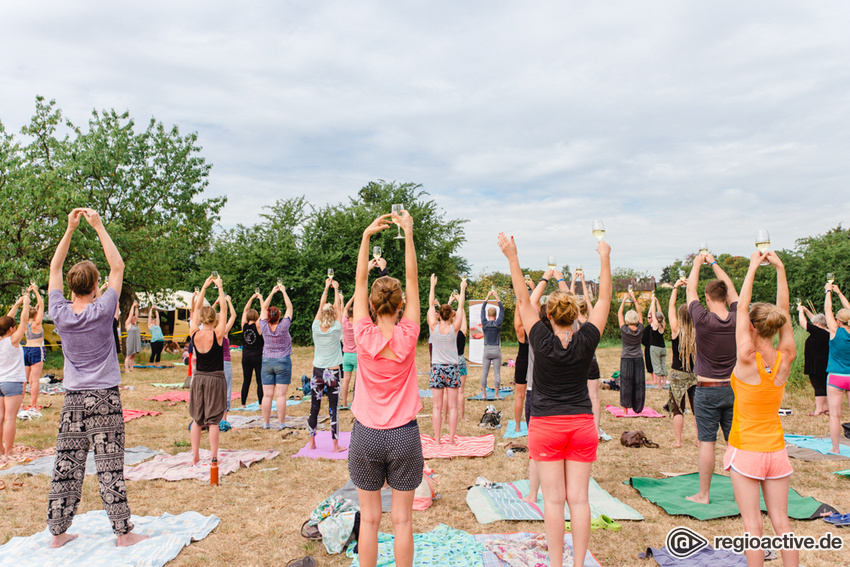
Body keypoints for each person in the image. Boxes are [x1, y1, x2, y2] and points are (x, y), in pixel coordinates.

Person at [498, 232, 612, 567]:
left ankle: (558, 564)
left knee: (554, 502)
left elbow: (522, 299)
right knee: (579, 500)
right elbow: (604, 299)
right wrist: (604, 256)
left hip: (546, 426)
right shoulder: (587, 339)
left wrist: (513, 257)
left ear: (548, 317)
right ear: (575, 315)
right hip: (581, 425)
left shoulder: (540, 340)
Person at [46, 208, 147, 548]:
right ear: (93, 286)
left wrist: (70, 228)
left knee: (66, 465)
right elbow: (117, 267)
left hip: (72, 398)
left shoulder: (58, 311)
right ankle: (123, 533)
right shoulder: (103, 310)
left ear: (73, 287)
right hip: (104, 396)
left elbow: (54, 267)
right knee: (109, 466)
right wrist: (98, 226)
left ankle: (58, 534)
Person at [349, 209, 422, 567]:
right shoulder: (409, 332)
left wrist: (365, 237)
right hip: (404, 436)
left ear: (374, 305)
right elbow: (412, 279)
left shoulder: (362, 332)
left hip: (366, 436)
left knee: (371, 520)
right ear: (400, 305)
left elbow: (361, 283)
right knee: (403, 521)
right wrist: (408, 234)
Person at [726, 250, 797, 567]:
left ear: (753, 327)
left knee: (753, 528)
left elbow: (741, 308)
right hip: (777, 452)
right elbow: (785, 314)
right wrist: (780, 269)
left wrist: (753, 266)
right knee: (783, 524)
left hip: (747, 451)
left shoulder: (745, 357)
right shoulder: (787, 355)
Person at [685, 253, 740, 504]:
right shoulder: (737, 317)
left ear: (707, 298)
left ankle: (703, 495)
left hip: (706, 390)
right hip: (734, 390)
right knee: (735, 443)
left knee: (707, 443)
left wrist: (697, 263)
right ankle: (742, 493)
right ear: (727, 297)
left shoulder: (703, 319)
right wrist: (714, 263)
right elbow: (733, 291)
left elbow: (690, 289)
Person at [188, 276, 229, 465]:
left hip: (198, 378)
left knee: (197, 419)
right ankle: (213, 456)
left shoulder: (194, 333)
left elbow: (195, 309)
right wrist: (219, 287)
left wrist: (203, 287)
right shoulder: (218, 334)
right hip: (215, 378)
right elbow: (224, 309)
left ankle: (195, 455)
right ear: (214, 319)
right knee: (213, 420)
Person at [427, 274, 466, 446]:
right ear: (450, 315)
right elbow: (462, 305)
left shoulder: (434, 327)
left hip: (437, 368)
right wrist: (462, 288)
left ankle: (436, 441)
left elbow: (429, 305)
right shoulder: (454, 328)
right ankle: (450, 440)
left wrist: (432, 286)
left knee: (436, 407)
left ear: (438, 315)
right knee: (452, 407)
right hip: (451, 368)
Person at [308, 278, 344, 452]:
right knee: (333, 408)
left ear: (321, 315)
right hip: (333, 373)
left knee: (314, 406)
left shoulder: (315, 327)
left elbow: (319, 308)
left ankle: (312, 442)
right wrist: (336, 290)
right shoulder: (336, 329)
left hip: (317, 372)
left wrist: (325, 289)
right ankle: (335, 445)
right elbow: (338, 309)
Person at [258, 284, 294, 429]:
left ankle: (266, 423)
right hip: (283, 360)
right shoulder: (284, 325)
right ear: (279, 316)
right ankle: (281, 423)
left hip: (267, 360)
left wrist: (272, 292)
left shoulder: (264, 326)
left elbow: (263, 308)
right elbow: (290, 308)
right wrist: (284, 291)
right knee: (280, 395)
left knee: (267, 395)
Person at [572, 270, 603, 438]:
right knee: (594, 396)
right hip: (592, 362)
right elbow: (590, 301)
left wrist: (573, 280)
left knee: (577, 395)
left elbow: (569, 296)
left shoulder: (574, 323)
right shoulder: (592, 321)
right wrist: (583, 282)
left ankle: (579, 428)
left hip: (578, 363)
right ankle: (596, 429)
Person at [668, 278, 698, 448]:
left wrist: (675, 287)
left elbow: (671, 307)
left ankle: (678, 441)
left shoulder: (676, 329)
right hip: (695, 374)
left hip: (677, 374)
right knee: (697, 410)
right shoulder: (698, 331)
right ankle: (699, 440)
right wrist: (691, 289)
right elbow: (698, 306)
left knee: (678, 409)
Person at [1, 289, 30, 455]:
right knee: (10, 418)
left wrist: (17, 304)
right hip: (12, 383)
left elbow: (5, 322)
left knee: (0, 418)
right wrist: (25, 305)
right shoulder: (13, 340)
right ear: (12, 329)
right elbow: (23, 321)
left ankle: (1, 449)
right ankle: (9, 450)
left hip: (0, 381)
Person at [824, 283, 850, 455]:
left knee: (835, 415)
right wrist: (840, 293)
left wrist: (828, 292)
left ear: (839, 320)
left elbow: (828, 310)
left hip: (835, 377)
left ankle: (835, 448)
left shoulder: (835, 330)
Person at [618, 289, 646, 413]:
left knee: (626, 383)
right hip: (638, 358)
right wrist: (634, 298)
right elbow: (640, 313)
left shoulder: (624, 329)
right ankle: (638, 408)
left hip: (626, 359)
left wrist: (624, 299)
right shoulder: (640, 328)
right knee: (639, 383)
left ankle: (625, 409)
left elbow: (619, 313)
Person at [798, 305, 829, 416]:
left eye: (815, 324)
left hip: (815, 364)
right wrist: (807, 310)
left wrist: (801, 312)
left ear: (818, 325)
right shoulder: (828, 331)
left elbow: (803, 323)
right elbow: (814, 320)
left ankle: (819, 409)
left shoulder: (818, 332)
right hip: (825, 363)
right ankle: (826, 408)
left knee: (818, 386)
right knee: (824, 386)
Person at [22, 286, 45, 409]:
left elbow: (32, 310)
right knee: (35, 380)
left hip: (26, 349)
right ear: (36, 315)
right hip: (36, 350)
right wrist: (36, 290)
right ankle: (33, 405)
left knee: (24, 379)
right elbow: (41, 305)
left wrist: (28, 303)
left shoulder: (25, 323)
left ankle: (21, 403)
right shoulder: (37, 323)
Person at [480, 289, 505, 399]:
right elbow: (502, 309)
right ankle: (496, 394)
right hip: (496, 350)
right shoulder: (498, 323)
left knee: (484, 373)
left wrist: (487, 296)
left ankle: (484, 395)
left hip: (487, 350)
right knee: (497, 373)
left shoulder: (484, 324)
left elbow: (482, 309)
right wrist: (496, 296)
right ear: (495, 315)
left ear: (488, 314)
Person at [240, 293, 265, 406]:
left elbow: (245, 310)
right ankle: (260, 404)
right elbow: (264, 311)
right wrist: (260, 299)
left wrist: (250, 297)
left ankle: (243, 403)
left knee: (246, 381)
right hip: (258, 356)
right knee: (259, 381)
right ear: (256, 317)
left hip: (246, 356)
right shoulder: (258, 325)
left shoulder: (244, 325)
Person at [340, 295, 357, 409]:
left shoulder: (344, 324)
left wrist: (353, 297)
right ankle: (356, 402)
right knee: (358, 381)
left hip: (346, 355)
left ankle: (344, 403)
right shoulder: (357, 325)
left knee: (346, 380)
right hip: (357, 356)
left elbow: (345, 308)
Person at [648, 295, 668, 388]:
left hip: (655, 348)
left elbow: (653, 312)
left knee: (657, 366)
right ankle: (664, 384)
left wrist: (653, 302)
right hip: (663, 348)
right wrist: (657, 302)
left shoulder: (655, 324)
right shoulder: (663, 324)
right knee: (663, 365)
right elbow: (660, 313)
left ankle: (659, 385)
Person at [124, 303, 141, 373]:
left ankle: (131, 368)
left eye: (134, 318)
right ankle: (126, 370)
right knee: (129, 355)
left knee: (133, 355)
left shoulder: (135, 324)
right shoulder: (128, 324)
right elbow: (131, 315)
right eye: (132, 318)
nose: (134, 318)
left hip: (136, 341)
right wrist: (132, 306)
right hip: (131, 341)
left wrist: (136, 308)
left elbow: (136, 315)